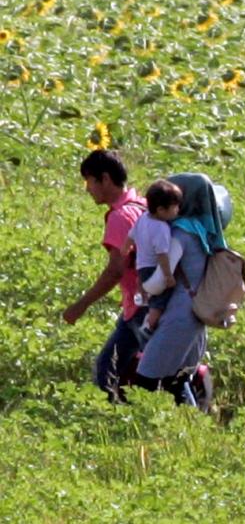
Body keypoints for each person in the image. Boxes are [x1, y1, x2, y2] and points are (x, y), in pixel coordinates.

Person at [134, 173, 227, 405]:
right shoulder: (201, 230)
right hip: (194, 315)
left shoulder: (180, 234)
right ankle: (193, 427)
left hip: (179, 316)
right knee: (178, 381)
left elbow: (159, 282)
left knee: (146, 380)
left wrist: (143, 287)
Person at [65, 150, 147, 402]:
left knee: (106, 372)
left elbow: (115, 270)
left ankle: (115, 423)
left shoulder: (121, 217)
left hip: (141, 307)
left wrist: (81, 304)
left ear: (105, 179)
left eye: (89, 181)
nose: (87, 189)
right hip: (152, 302)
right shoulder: (142, 205)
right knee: (143, 369)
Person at [123, 179, 183, 336]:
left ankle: (144, 305)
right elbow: (162, 255)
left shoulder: (143, 218)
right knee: (160, 300)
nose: (178, 209)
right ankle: (149, 325)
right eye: (175, 207)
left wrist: (125, 247)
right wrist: (168, 276)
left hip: (141, 268)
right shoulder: (162, 228)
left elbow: (131, 235)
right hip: (153, 269)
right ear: (161, 210)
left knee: (148, 295)